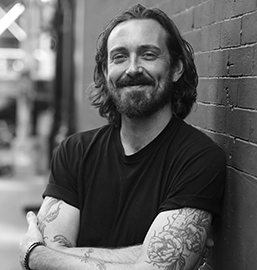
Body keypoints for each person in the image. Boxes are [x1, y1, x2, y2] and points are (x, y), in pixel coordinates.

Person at [19, 4, 226, 270]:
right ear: (106, 74)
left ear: (176, 68)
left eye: (148, 54)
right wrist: (143, 254)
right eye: (118, 57)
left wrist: (37, 256)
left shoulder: (199, 159)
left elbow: (156, 268)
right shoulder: (74, 152)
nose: (132, 69)